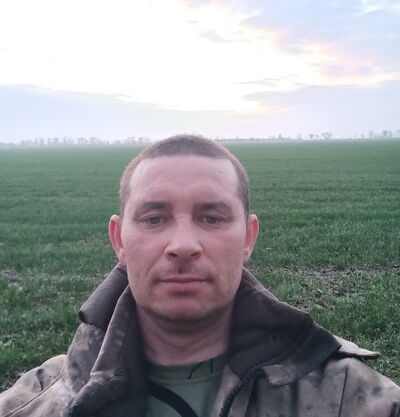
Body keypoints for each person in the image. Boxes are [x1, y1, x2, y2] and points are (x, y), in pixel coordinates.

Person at [0, 135, 399, 417]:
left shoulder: (347, 396)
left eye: (211, 218)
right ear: (119, 238)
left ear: (248, 237)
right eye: (154, 218)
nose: (183, 245)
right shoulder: (33, 405)